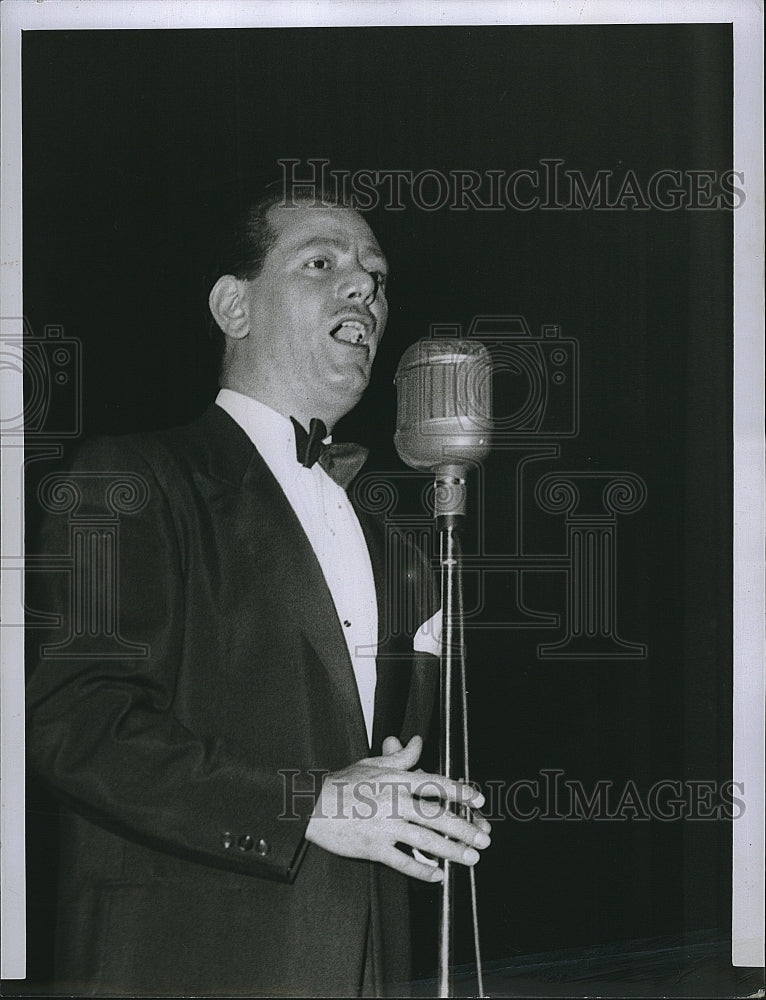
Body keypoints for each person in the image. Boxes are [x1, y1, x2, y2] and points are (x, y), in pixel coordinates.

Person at [26, 188, 490, 997]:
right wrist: (311, 805)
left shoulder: (402, 546)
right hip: (185, 966)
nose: (364, 289)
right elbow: (76, 722)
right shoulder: (128, 479)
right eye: (323, 262)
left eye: (376, 275)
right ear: (233, 306)